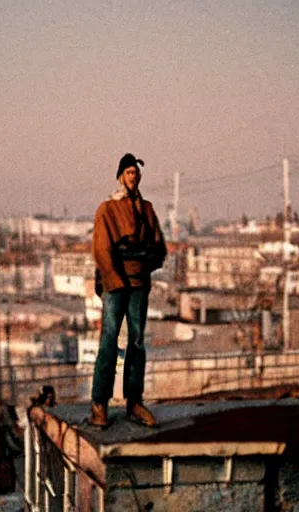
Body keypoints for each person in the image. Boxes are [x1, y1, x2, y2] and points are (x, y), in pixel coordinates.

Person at [90, 153, 167, 428]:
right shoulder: (108, 209)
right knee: (109, 341)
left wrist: (145, 263)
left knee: (136, 342)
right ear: (121, 176)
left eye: (136, 173)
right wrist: (114, 278)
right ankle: (100, 403)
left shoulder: (146, 209)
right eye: (129, 173)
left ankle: (134, 402)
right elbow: (101, 248)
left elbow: (159, 247)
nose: (134, 177)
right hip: (115, 284)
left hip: (139, 283)